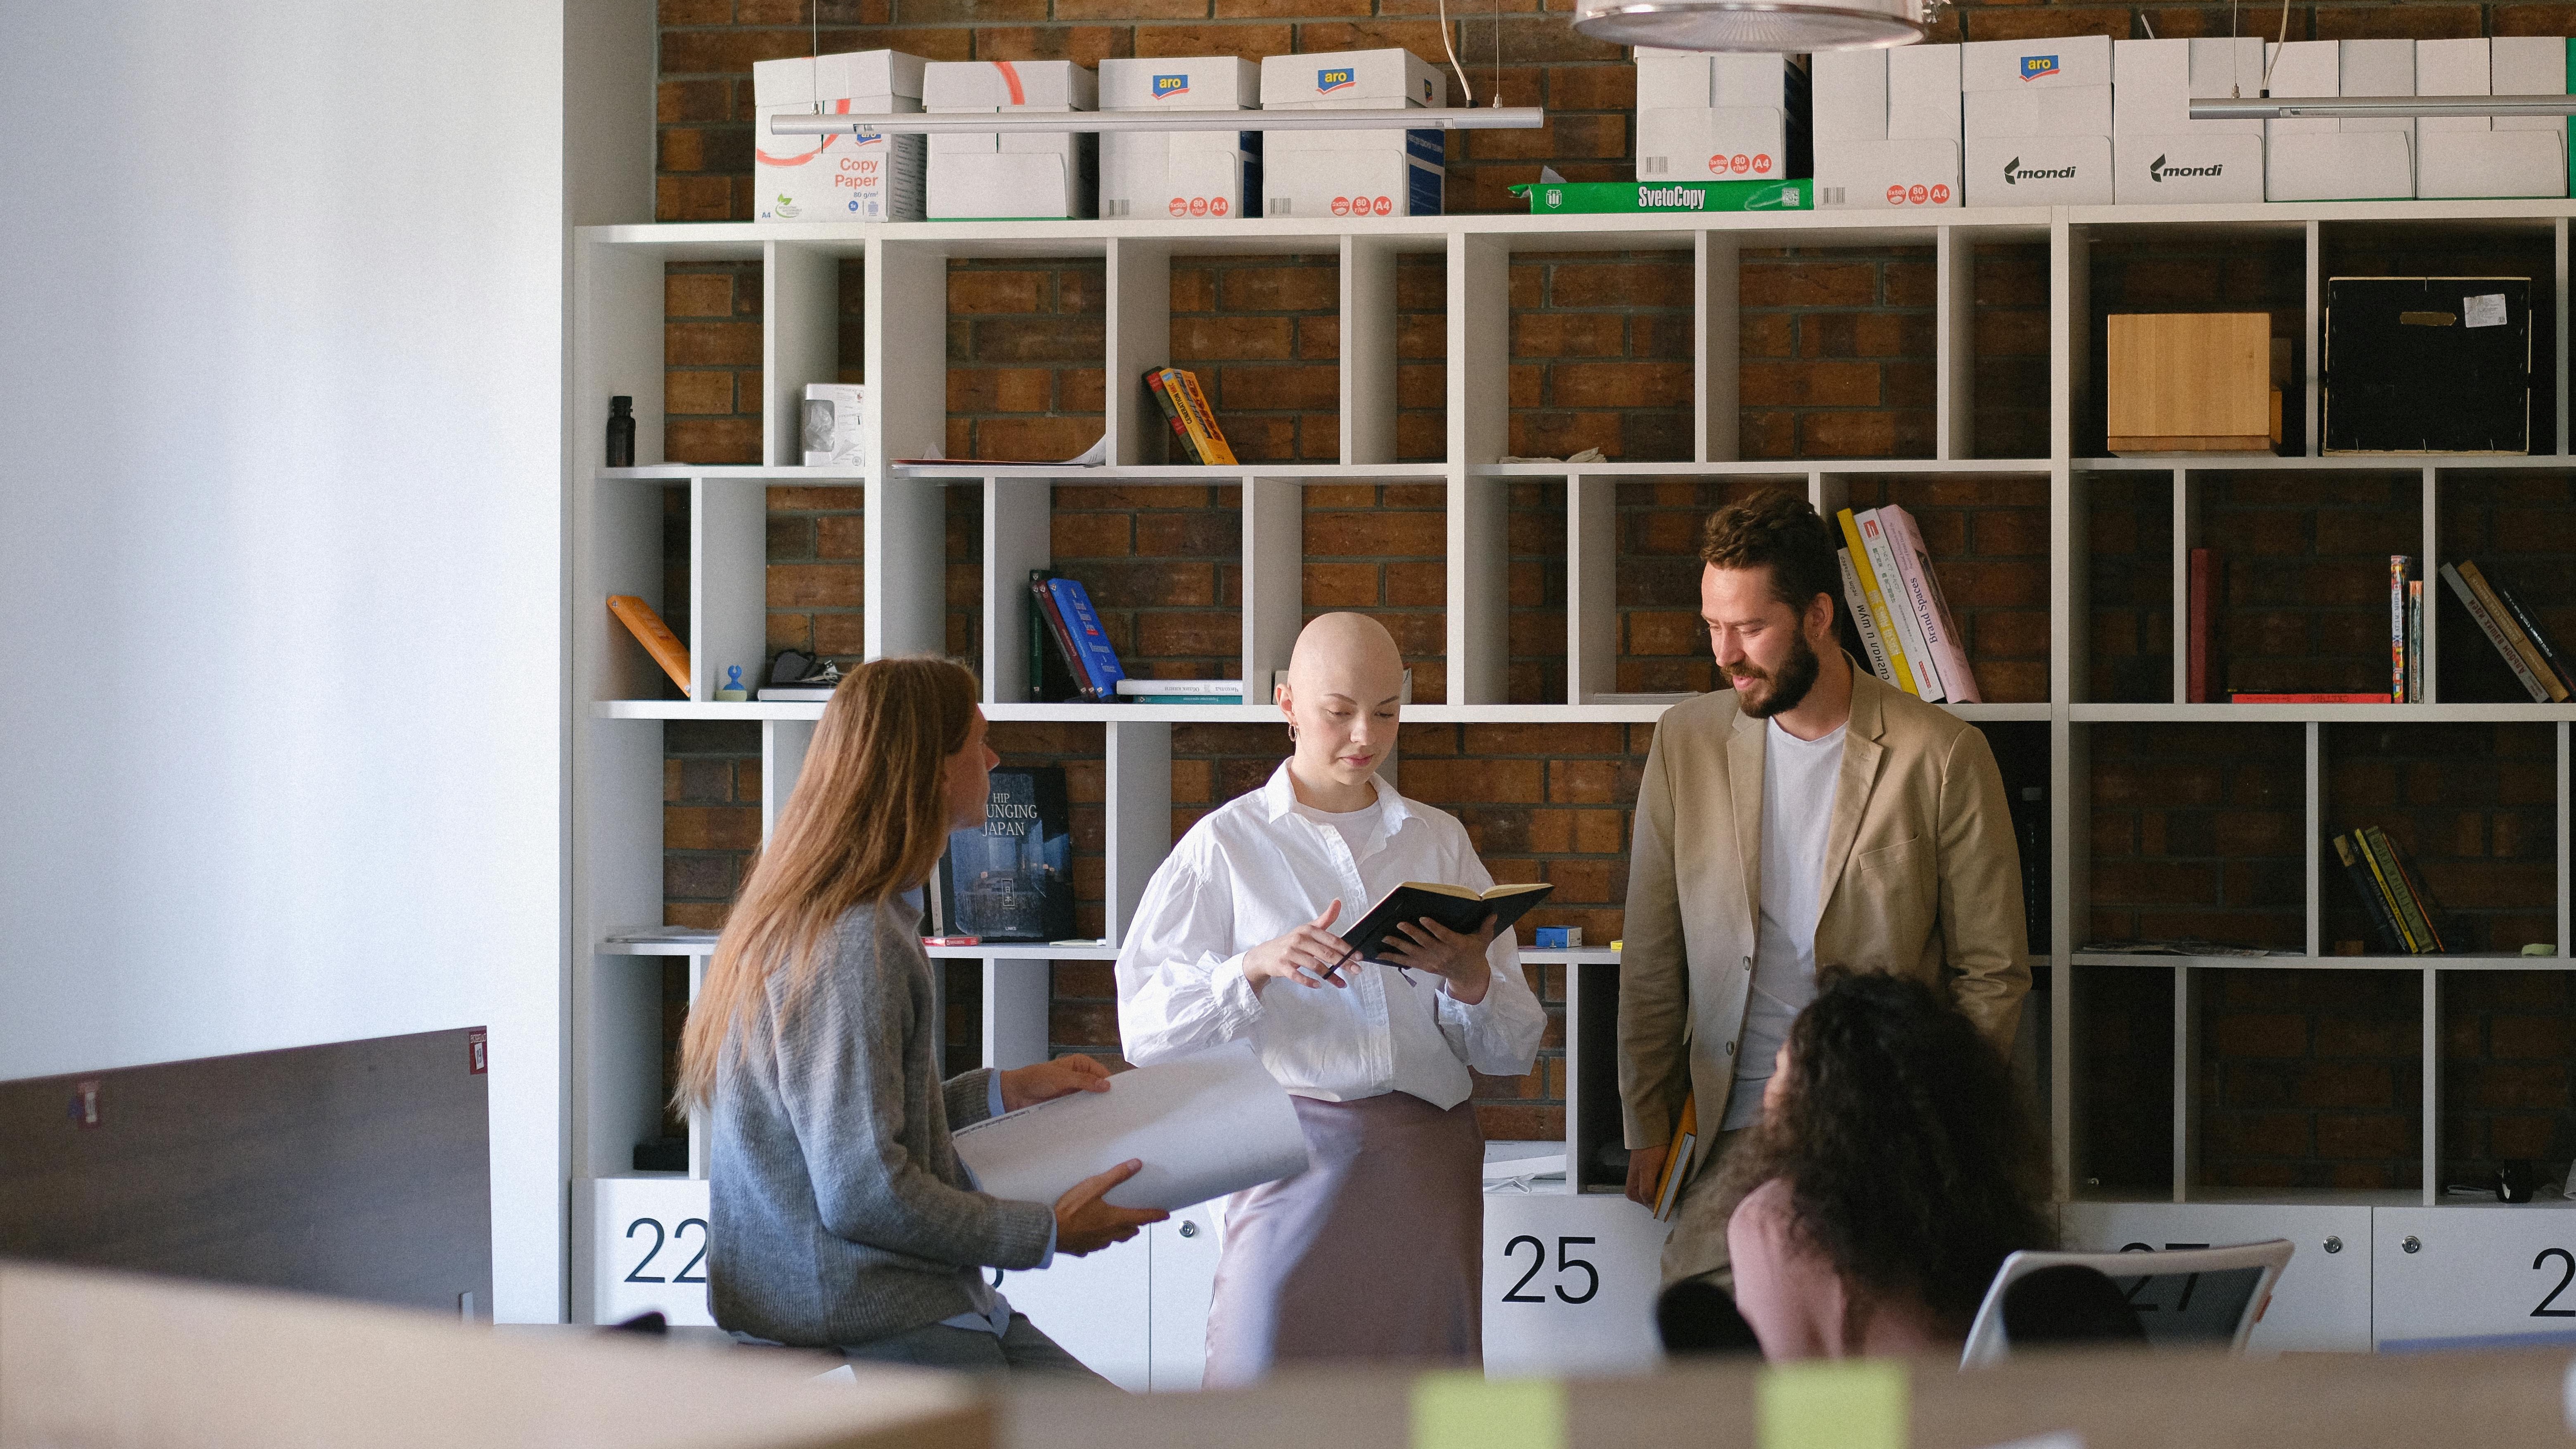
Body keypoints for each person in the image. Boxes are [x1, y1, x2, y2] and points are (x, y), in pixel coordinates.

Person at [679, 656, 1166, 1378]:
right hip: (876, 1322)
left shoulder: (854, 923)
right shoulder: (855, 944)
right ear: (933, 771)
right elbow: (865, 1192)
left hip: (914, 1304)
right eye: (978, 741)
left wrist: (1004, 1092)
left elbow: (851, 1128)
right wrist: (1046, 1231)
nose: (994, 759)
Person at [1116, 612, 1548, 1386]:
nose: (1365, 734)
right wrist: (1251, 966)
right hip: (1286, 1157)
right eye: (1339, 710)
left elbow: (1511, 1050)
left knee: (1423, 1400)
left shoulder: (1437, 839)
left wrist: (1469, 975)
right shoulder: (1226, 845)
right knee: (1261, 1384)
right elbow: (1144, 1027)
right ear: (1285, 703)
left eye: (1386, 712)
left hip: (1426, 1160)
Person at [1618, 490, 2029, 1294]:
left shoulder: (1942, 756)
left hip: (1883, 1134)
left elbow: (1994, 974)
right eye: (1712, 626)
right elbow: (1654, 955)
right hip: (1729, 1131)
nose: (1726, 654)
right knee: (1703, 1342)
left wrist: (1932, 1130)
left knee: (1865, 1359)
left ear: (1817, 616)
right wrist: (1645, 1122)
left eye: (1749, 628)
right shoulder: (1686, 742)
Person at [1721, 969, 2053, 1360]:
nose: (1769, 1090)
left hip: (1860, 1422)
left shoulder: (1773, 1219)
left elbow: (1791, 1395)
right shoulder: (1978, 1206)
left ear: (1819, 1099)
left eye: (1781, 1069)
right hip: (1978, 1420)